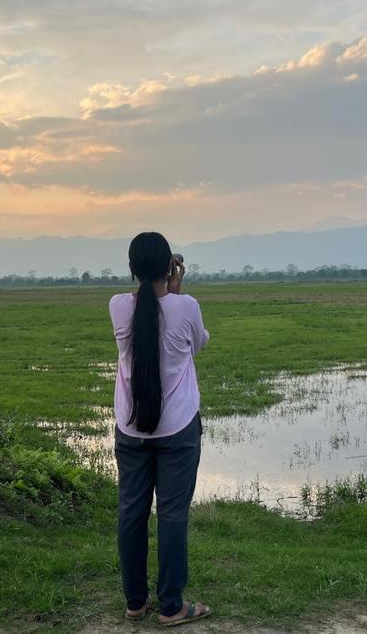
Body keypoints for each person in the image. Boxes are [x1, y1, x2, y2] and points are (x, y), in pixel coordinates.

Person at [108, 232, 211, 626]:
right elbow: (196, 344)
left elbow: (148, 313)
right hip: (179, 429)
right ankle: (171, 606)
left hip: (130, 430)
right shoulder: (186, 306)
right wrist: (176, 291)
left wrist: (166, 289)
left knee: (131, 513)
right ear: (170, 267)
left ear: (132, 269)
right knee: (172, 515)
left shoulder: (118, 307)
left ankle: (135, 603)